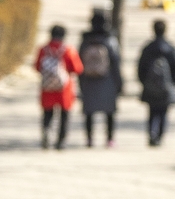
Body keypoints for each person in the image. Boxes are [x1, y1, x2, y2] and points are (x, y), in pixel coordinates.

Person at [79, 11, 122, 147]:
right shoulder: (110, 40)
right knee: (109, 111)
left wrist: (81, 81)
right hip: (107, 80)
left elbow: (79, 61)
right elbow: (116, 62)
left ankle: (89, 139)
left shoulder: (86, 40)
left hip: (89, 80)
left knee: (89, 111)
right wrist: (119, 82)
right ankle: (109, 139)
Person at [35, 25, 83, 149]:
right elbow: (77, 68)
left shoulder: (43, 49)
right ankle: (61, 140)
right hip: (64, 88)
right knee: (64, 115)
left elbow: (37, 66)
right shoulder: (68, 50)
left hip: (47, 87)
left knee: (47, 113)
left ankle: (46, 131)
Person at [137, 19, 175, 146]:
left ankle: (151, 134)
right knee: (163, 112)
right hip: (166, 87)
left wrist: (143, 82)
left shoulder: (147, 48)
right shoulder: (170, 48)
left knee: (152, 112)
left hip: (150, 86)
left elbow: (141, 67)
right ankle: (160, 136)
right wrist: (173, 83)